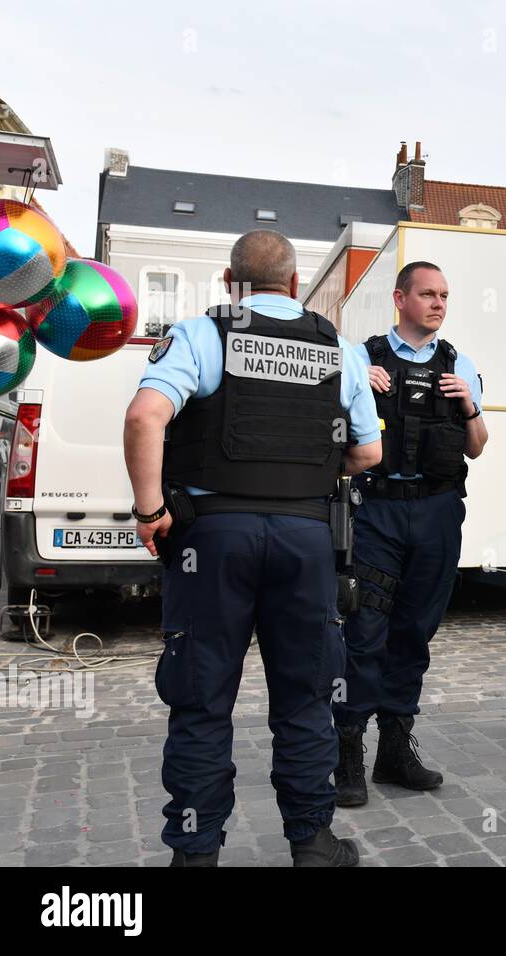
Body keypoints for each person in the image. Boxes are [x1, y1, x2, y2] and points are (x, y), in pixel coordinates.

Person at [123, 230, 382, 867]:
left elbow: (143, 417)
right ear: (295, 285)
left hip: (212, 539)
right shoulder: (337, 349)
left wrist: (150, 509)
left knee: (202, 699)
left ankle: (195, 851)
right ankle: (313, 844)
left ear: (229, 281)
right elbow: (369, 452)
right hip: (304, 540)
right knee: (305, 697)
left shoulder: (202, 334)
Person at [332, 261, 489, 808]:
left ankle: (395, 749)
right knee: (365, 630)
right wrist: (358, 392)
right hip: (377, 512)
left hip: (438, 511)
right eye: (428, 294)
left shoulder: (459, 363)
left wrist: (467, 402)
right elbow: (330, 440)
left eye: (445, 295)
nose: (438, 304)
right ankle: (346, 748)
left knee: (415, 632)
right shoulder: (360, 358)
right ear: (400, 299)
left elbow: (477, 445)